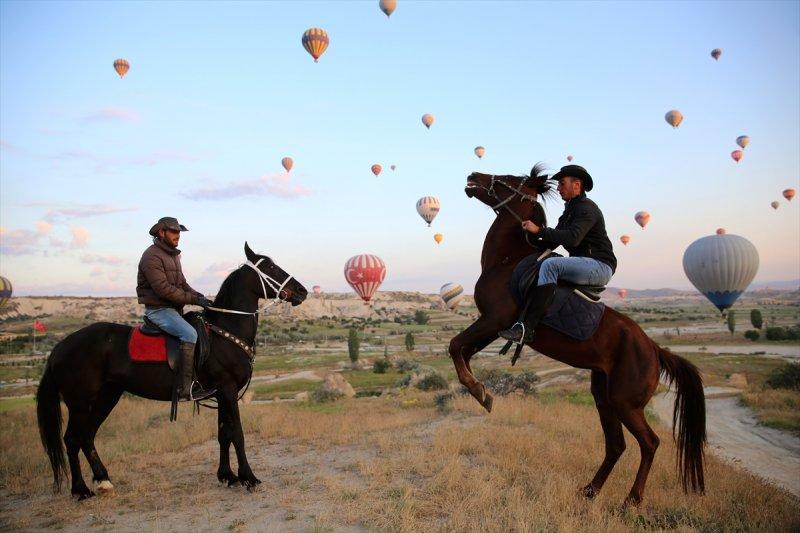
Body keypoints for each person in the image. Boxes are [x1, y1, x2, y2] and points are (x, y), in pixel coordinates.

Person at [499, 165, 617, 343]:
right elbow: (551, 242)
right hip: (585, 263)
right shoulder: (569, 211)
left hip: (599, 266)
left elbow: (572, 238)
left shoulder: (587, 208)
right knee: (544, 262)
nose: (558, 188)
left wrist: (539, 230)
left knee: (550, 265)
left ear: (577, 185)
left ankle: (526, 328)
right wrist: (524, 237)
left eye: (562, 184)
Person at [137, 217, 213, 399]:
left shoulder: (173, 255)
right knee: (190, 334)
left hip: (174, 310)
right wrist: (194, 299)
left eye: (179, 232)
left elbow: (182, 283)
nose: (178, 235)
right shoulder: (151, 256)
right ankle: (185, 388)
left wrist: (200, 297)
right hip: (159, 310)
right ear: (161, 232)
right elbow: (163, 289)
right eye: (173, 231)